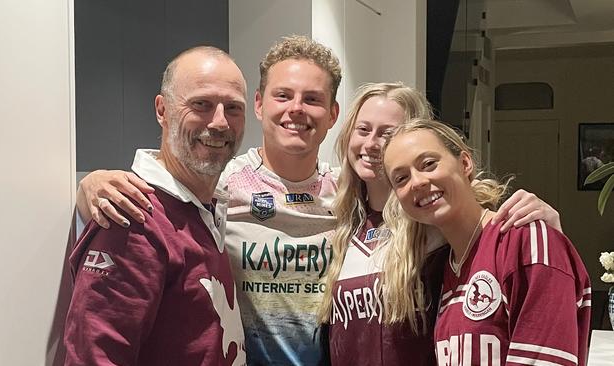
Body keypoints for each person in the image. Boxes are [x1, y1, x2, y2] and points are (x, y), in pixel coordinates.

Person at [74, 37, 562, 365]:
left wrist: (533, 223)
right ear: (262, 105)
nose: (296, 110)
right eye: (283, 95)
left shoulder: (345, 197)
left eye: (312, 100)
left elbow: (459, 218)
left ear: (331, 116)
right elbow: (173, 184)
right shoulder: (220, 188)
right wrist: (89, 183)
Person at [316, 83, 564, 365]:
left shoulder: (435, 224)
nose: (372, 143)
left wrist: (546, 227)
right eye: (363, 130)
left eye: (388, 134)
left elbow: (503, 249)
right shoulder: (342, 225)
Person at [63, 46, 248, 365]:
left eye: (233, 108)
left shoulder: (207, 208)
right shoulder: (133, 217)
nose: (219, 123)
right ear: (162, 110)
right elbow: (94, 356)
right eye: (201, 104)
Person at [382, 119, 591, 365]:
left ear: (465, 162)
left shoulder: (526, 240)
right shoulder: (445, 270)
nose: (417, 182)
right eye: (401, 178)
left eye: (429, 164)